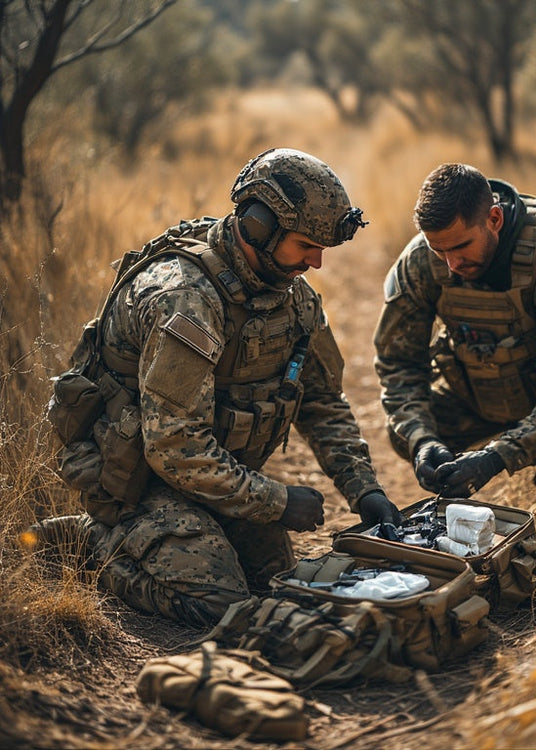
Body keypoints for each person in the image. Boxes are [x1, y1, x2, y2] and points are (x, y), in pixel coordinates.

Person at [36, 148, 400, 627]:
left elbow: (322, 402)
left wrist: (364, 490)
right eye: (306, 245)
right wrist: (277, 501)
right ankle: (90, 539)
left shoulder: (292, 297)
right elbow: (173, 447)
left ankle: (196, 535)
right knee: (223, 604)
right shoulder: (185, 301)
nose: (316, 263)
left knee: (282, 584)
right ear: (257, 227)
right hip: (138, 483)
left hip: (220, 480)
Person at [373, 163, 536, 557]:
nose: (451, 263)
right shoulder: (422, 260)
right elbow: (398, 365)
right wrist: (422, 441)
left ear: (494, 219)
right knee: (407, 428)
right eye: (439, 250)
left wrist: (495, 458)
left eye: (460, 247)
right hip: (475, 390)